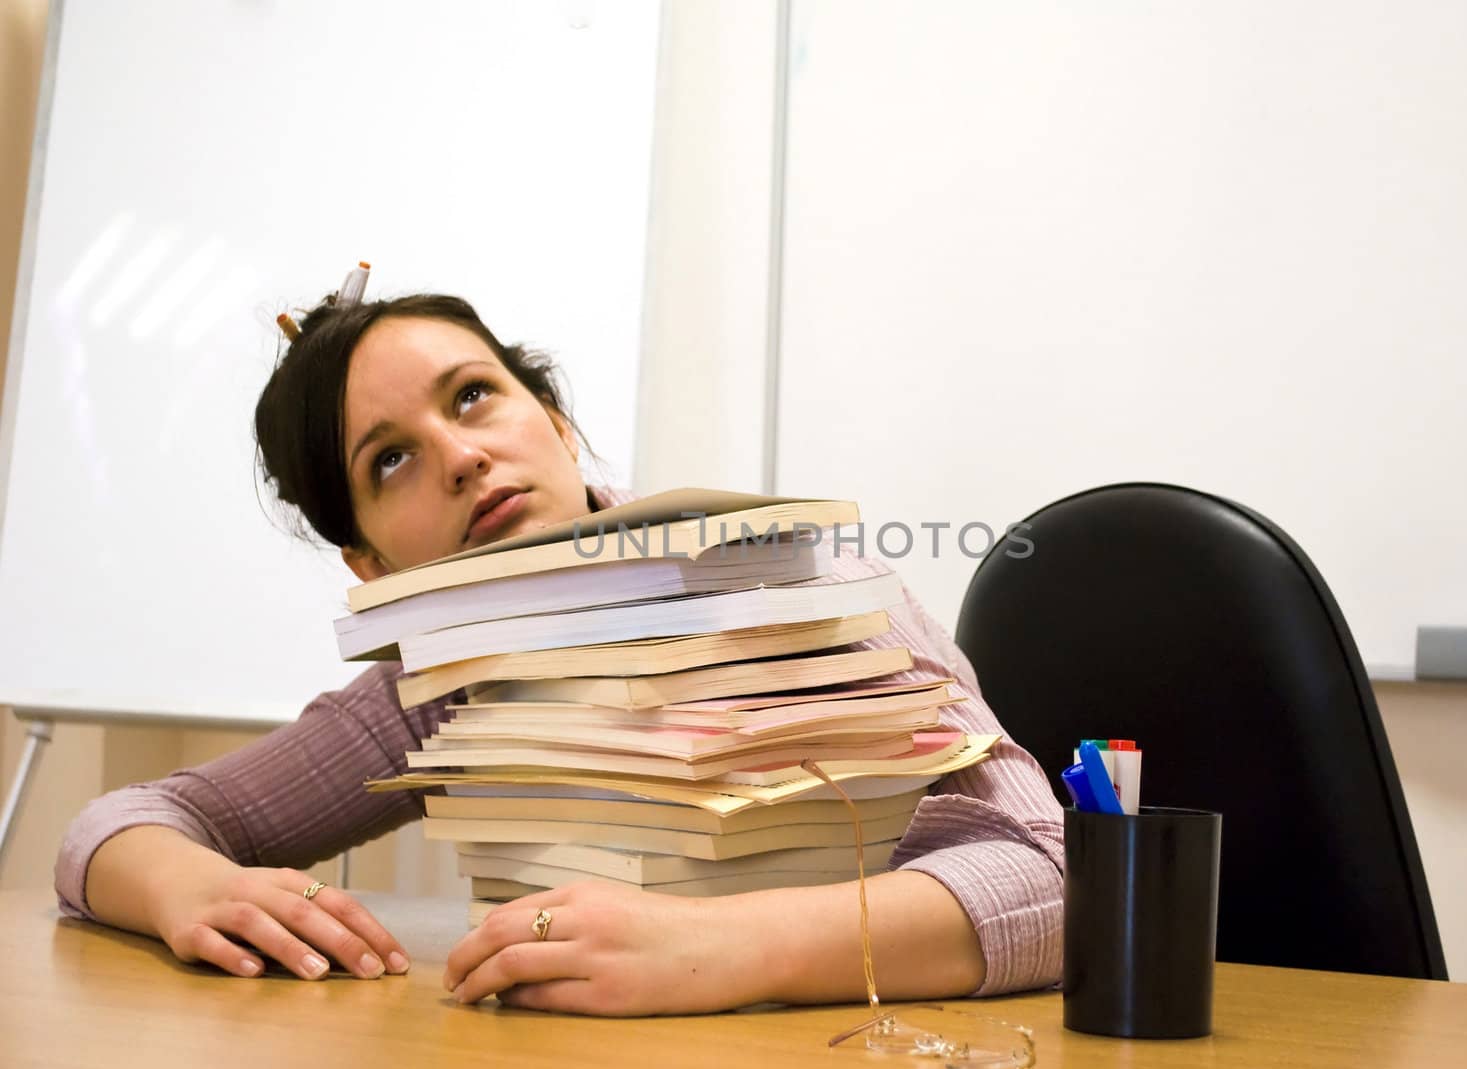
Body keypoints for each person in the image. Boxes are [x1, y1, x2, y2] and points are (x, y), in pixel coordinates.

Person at [54, 285, 1065, 1016]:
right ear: (368, 563)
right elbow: (130, 821)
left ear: (558, 422)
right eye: (391, 458)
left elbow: (1059, 881)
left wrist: (723, 948)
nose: (458, 457)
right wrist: (189, 888)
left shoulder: (806, 588)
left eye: (471, 397)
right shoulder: (440, 688)